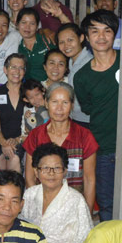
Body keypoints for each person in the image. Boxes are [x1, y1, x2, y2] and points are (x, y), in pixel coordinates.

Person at [74, 10, 121, 221]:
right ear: (86, 36)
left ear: (114, 34)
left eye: (107, 31)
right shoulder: (82, 76)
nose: (101, 37)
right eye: (95, 31)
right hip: (102, 149)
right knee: (107, 206)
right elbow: (89, 108)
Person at [23, 83, 97, 211]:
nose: (59, 108)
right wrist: (38, 208)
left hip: (74, 207)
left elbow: (89, 179)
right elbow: (30, 178)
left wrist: (87, 213)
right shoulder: (36, 135)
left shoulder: (85, 136)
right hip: (43, 206)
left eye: (65, 103)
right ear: (46, 103)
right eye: (54, 102)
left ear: (72, 105)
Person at [0, 54, 28, 172]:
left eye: (21, 68)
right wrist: (4, 143)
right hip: (1, 140)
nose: (17, 71)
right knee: (0, 159)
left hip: (23, 139)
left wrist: (17, 140)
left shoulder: (29, 92)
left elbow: (34, 125)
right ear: (5, 70)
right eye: (13, 67)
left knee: (14, 159)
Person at [57, 23, 93, 126]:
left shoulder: (89, 63)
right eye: (61, 42)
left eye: (70, 40)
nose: (66, 46)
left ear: (81, 38)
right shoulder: (71, 61)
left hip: (87, 120)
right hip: (75, 117)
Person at [16, 8, 54, 83]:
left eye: (32, 23)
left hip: (49, 85)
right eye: (23, 22)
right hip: (29, 88)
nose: (27, 27)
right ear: (17, 24)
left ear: (37, 26)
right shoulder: (17, 44)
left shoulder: (47, 40)